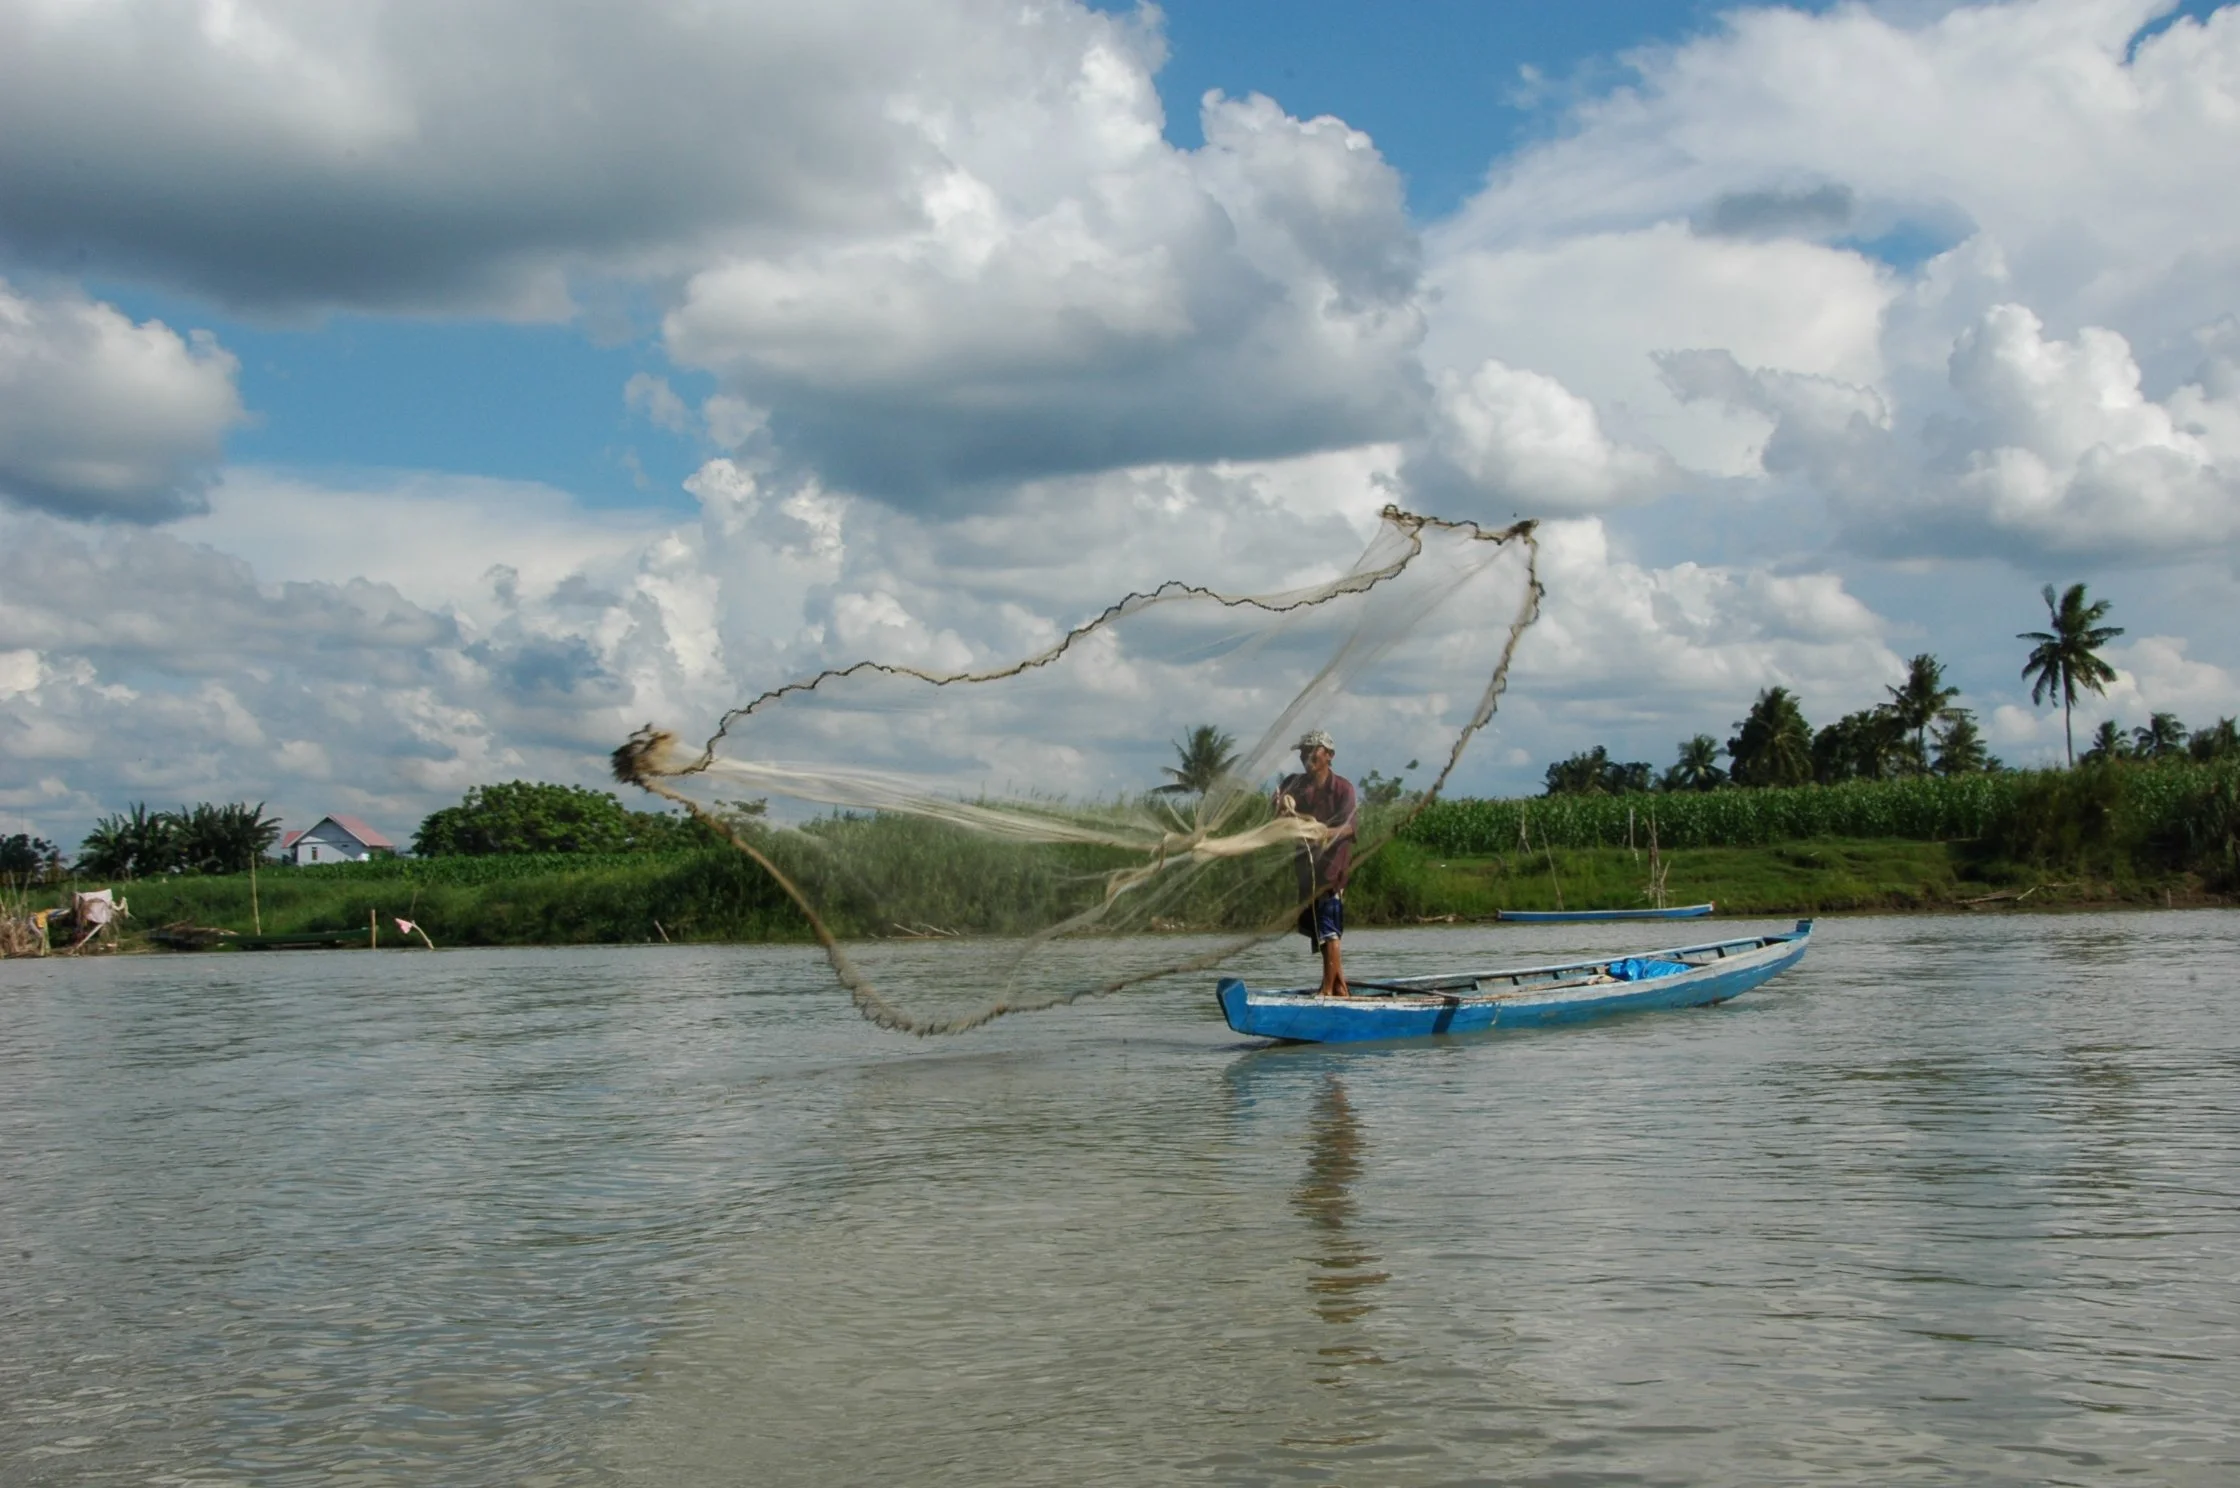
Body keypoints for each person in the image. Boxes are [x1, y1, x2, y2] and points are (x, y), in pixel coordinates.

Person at [1275, 729, 1356, 998]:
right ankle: (1339, 986)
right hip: (1308, 870)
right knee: (1320, 929)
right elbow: (1279, 817)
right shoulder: (1294, 784)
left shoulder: (1343, 788)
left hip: (1333, 868)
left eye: (1312, 751)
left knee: (1329, 927)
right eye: (1302, 752)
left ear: (1329, 755)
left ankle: (1327, 990)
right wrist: (1280, 807)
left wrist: (1320, 833)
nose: (1305, 757)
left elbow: (1347, 829)